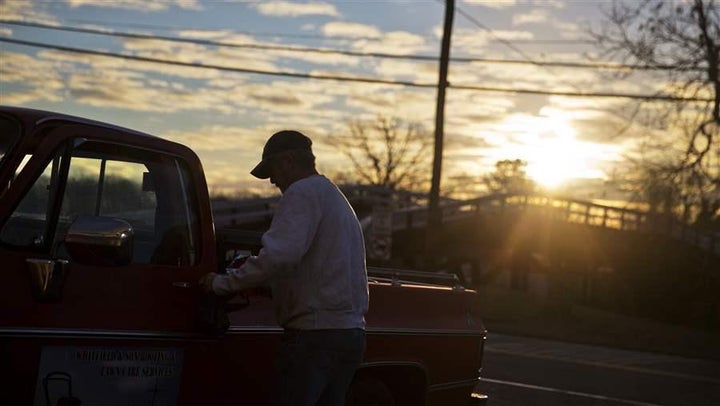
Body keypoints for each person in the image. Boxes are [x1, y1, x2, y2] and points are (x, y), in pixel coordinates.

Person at [200, 130, 369, 406]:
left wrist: (222, 283)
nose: (273, 181)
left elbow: (280, 257)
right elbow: (316, 265)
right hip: (350, 334)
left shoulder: (301, 192)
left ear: (289, 161)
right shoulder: (335, 198)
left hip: (313, 337)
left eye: (272, 171)